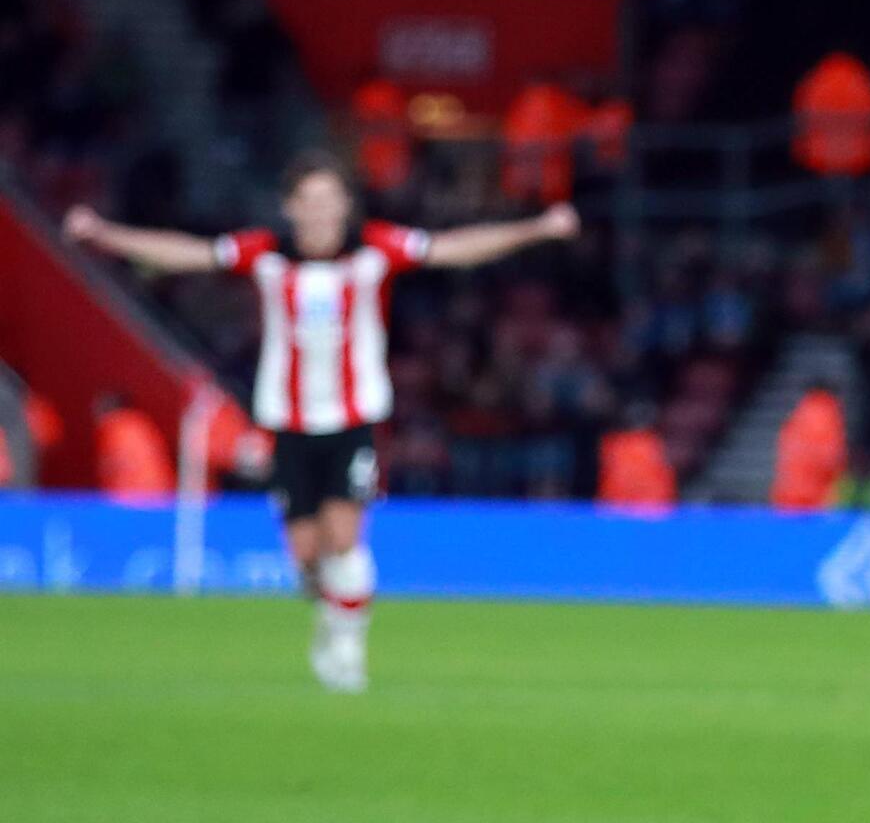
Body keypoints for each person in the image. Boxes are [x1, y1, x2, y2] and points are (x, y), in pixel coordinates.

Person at [66, 149, 580, 693]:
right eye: (309, 200)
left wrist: (537, 229)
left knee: (344, 537)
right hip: (288, 423)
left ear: (345, 206)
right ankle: (330, 614)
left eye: (329, 200)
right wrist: (105, 234)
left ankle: (347, 649)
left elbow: (453, 249)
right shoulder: (266, 254)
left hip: (354, 420)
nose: (319, 212)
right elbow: (189, 254)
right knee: (307, 557)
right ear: (290, 207)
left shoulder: (375, 249)